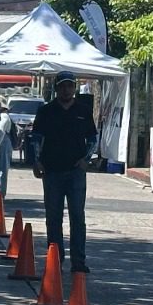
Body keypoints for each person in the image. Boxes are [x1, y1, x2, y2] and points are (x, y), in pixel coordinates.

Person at [32, 71, 98, 273]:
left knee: (77, 216)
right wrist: (36, 161)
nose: (66, 90)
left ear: (75, 88)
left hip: (76, 171)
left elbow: (92, 139)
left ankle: (78, 261)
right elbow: (36, 137)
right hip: (52, 171)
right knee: (53, 217)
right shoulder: (46, 111)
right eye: (62, 86)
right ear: (56, 88)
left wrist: (86, 159)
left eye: (70, 86)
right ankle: (55, 259)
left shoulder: (83, 110)